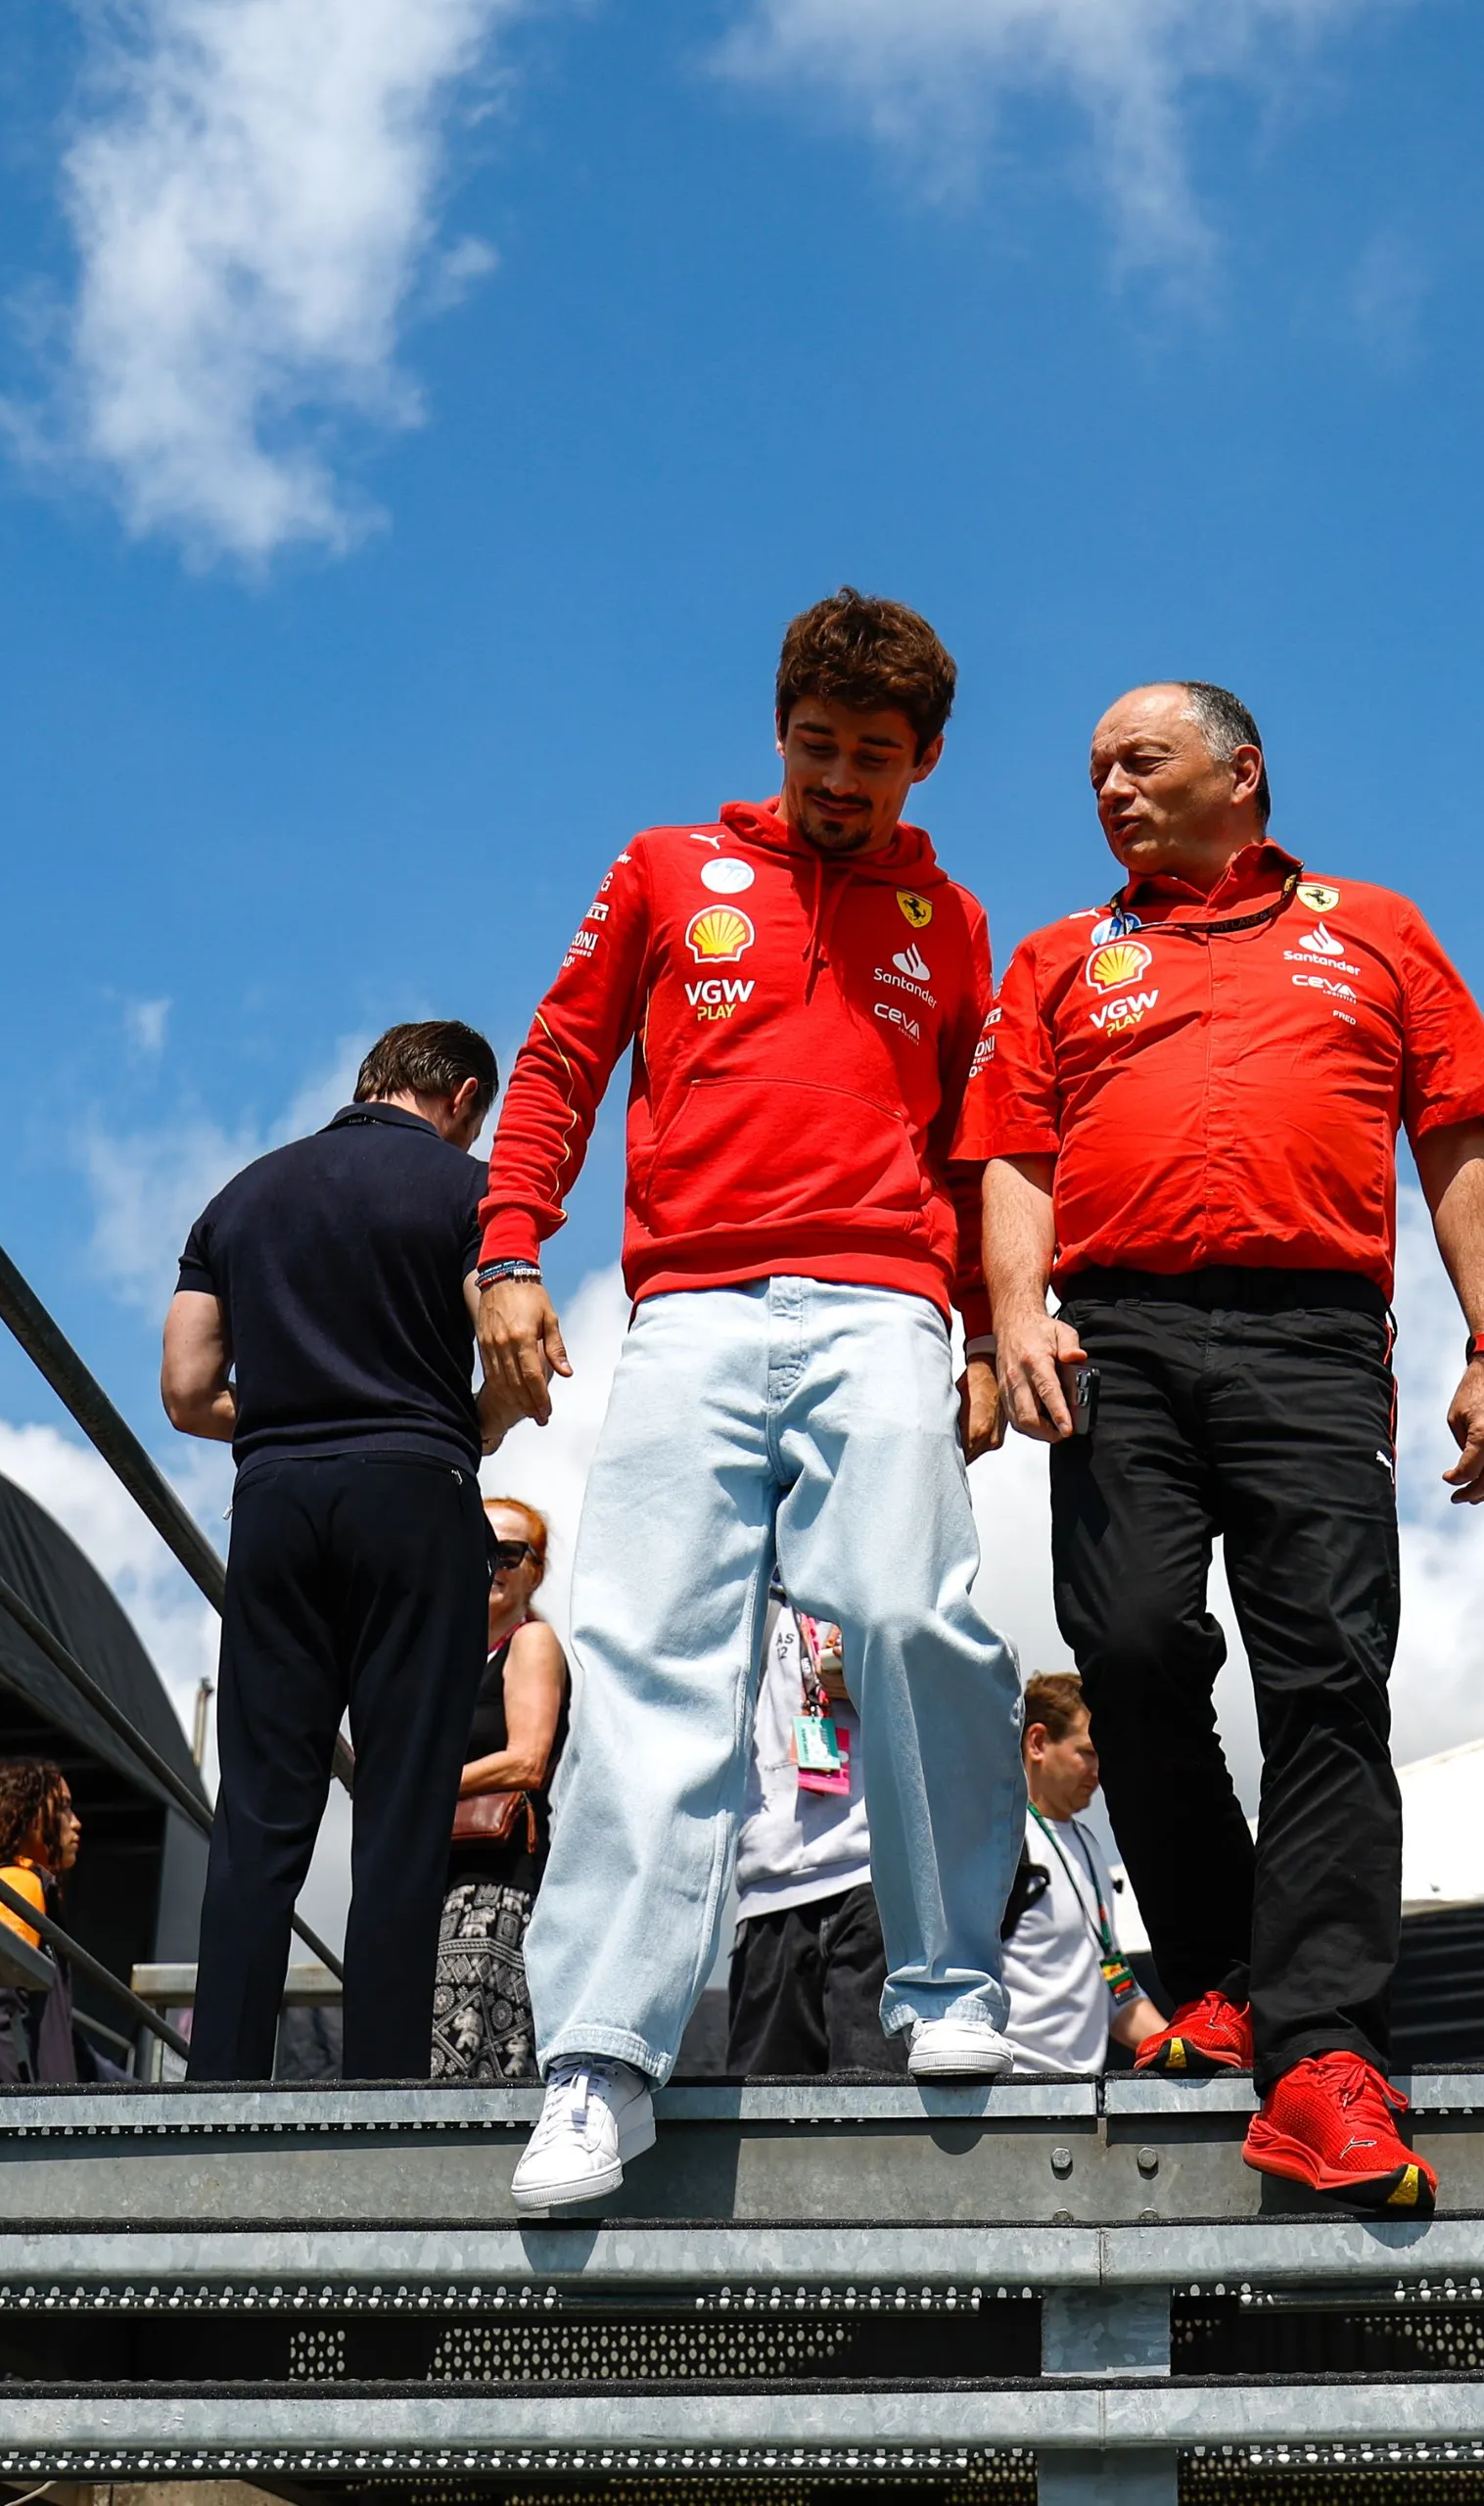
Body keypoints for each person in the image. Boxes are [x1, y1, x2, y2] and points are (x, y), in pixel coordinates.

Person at [476, 588, 1026, 2208]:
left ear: (922, 759)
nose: (838, 781)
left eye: (872, 756)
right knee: (651, 1662)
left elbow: (968, 1149)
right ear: (774, 730)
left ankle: (945, 1986)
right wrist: (509, 1248)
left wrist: (991, 1335)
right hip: (691, 1308)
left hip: (882, 1305)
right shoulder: (664, 869)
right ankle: (596, 2057)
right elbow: (559, 1059)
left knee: (910, 1617)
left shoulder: (953, 923)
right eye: (813, 746)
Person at [963, 681, 1484, 2214]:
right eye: (1093, 772)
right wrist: (1015, 1312)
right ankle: (1222, 1972)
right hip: (1116, 1338)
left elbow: (1458, 1137)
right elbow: (1012, 1151)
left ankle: (1326, 2048)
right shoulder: (1063, 957)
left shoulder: (1380, 930)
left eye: (1139, 761)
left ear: (1242, 769)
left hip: (1314, 1339)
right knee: (1131, 1644)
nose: (1109, 791)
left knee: (1328, 1681)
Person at [163, 1019, 511, 2082]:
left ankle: (220, 2078)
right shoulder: (469, 1192)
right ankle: (383, 2083)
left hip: (274, 1498)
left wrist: (285, 1421)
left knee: (261, 1805)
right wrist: (467, 1423)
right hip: (415, 1491)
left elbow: (184, 1389)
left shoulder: (240, 1195)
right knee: (403, 1806)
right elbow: (514, 1353)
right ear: (457, 1094)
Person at [727, 1597, 895, 2076]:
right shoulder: (758, 1585)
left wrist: (869, 1663)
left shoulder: (884, 1572)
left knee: (874, 2111)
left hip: (872, 1876)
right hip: (769, 1886)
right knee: (762, 2122)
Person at [434, 1497, 570, 2080]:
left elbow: (527, 1761)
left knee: (466, 2060)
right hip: (430, 1880)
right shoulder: (443, 1659)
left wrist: (416, 1785)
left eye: (509, 1553)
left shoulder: (530, 1643)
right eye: (480, 1548)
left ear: (534, 1570)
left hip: (490, 1884)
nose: (493, 1564)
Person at [999, 1673, 1165, 2077]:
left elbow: (1117, 1992)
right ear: (1037, 1743)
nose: (1099, 1770)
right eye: (1087, 1753)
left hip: (1083, 2097)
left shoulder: (1089, 1845)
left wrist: (1182, 2048)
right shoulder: (1001, 1838)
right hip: (1011, 2096)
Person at [0, 1755, 88, 2083]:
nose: (75, 1822)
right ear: (25, 1814)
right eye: (62, 1807)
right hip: (6, 2116)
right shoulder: (18, 1883)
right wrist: (21, 2104)